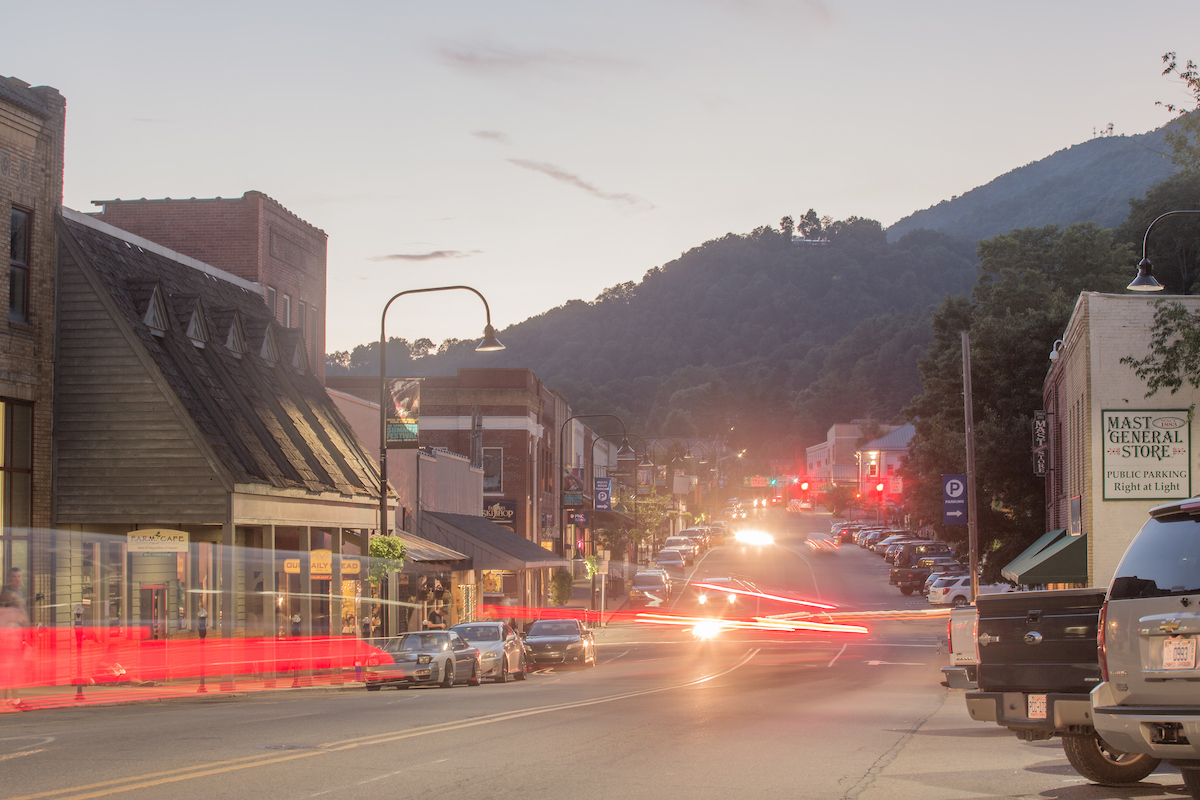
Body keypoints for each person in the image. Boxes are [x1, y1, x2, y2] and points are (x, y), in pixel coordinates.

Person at [0, 587, 28, 707]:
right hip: (7, 646)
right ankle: (10, 699)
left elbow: (24, 621)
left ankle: (9, 699)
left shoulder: (12, 611)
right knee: (9, 673)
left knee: (10, 673)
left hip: (13, 646)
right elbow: (25, 620)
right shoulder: (12, 611)